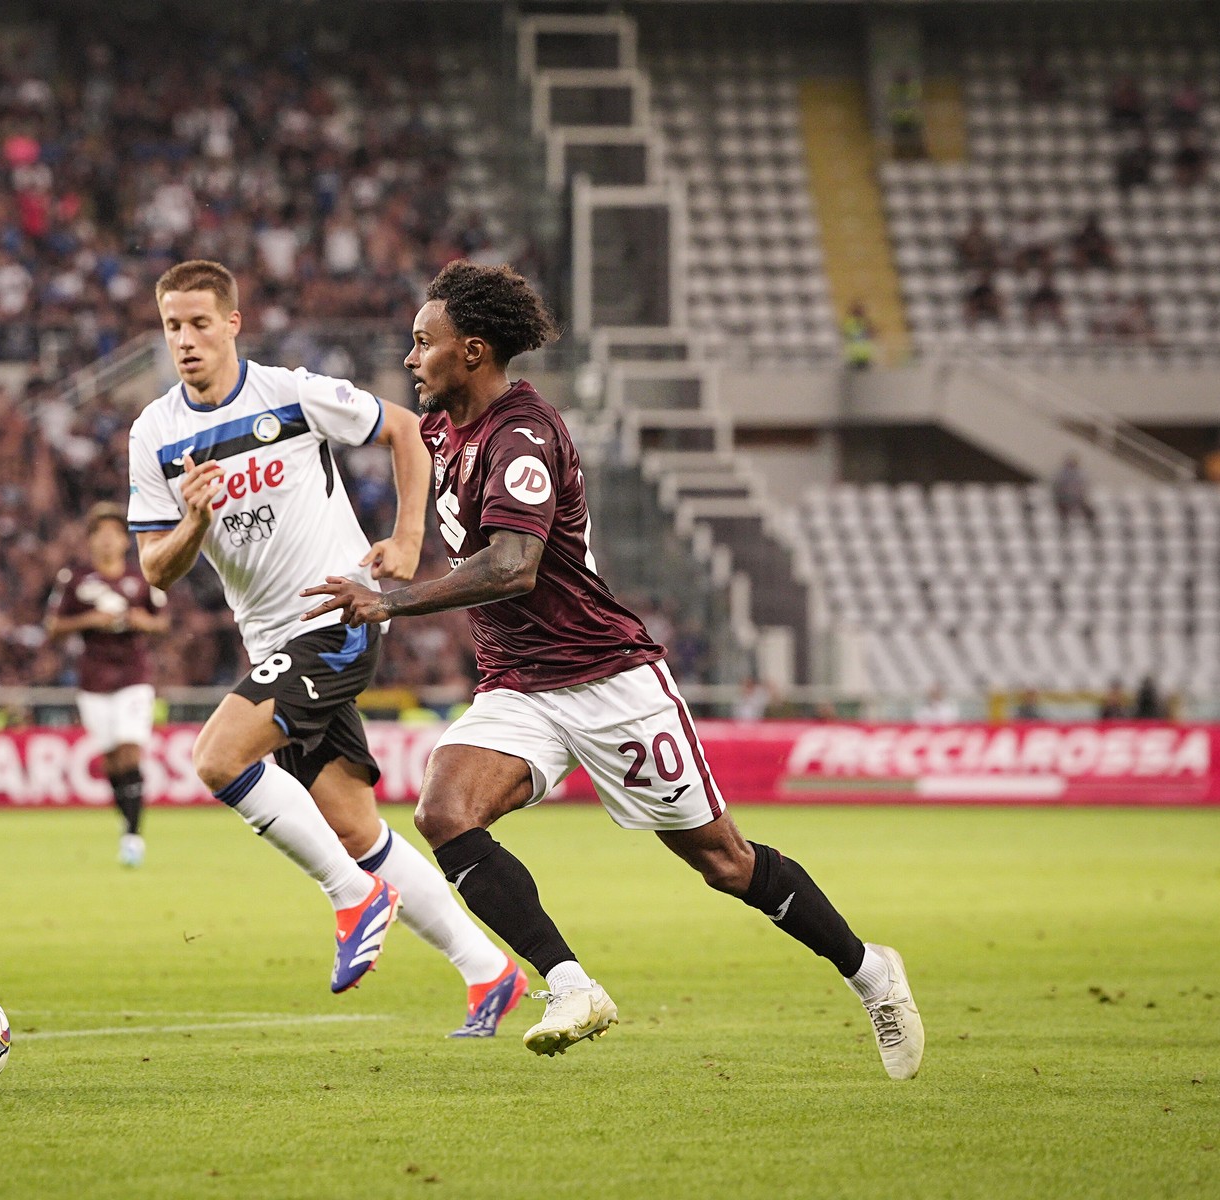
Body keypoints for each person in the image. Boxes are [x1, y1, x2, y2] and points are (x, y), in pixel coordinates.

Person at [302, 262, 923, 1077]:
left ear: (475, 351)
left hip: (606, 679)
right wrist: (405, 544)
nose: (410, 357)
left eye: (425, 342)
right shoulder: (446, 428)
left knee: (724, 863)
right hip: (520, 684)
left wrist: (394, 598)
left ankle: (870, 972)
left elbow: (514, 566)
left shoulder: (523, 436)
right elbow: (411, 456)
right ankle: (569, 985)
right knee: (445, 811)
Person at [128, 259, 528, 1034]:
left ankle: (352, 897)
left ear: (233, 323)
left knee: (217, 758)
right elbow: (155, 569)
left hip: (339, 617)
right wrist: (195, 525)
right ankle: (488, 973)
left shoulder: (289, 392)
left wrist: (409, 538)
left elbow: (405, 429)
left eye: (200, 323)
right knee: (351, 825)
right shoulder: (156, 433)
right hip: (271, 642)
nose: (186, 340)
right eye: (173, 325)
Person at [45, 502, 169, 867]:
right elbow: (53, 627)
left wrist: (139, 621)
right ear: (90, 541)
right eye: (100, 534)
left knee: (131, 752)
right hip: (93, 679)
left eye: (114, 534)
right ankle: (126, 818)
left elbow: (162, 623)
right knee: (113, 761)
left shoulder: (140, 578)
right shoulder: (76, 580)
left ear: (124, 541)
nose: (107, 541)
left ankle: (133, 837)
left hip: (133, 675)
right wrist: (89, 619)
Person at [1052, 454, 1095, 526]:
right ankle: (1064, 526)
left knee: (1090, 511)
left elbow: (1083, 487)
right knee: (1061, 510)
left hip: (1077, 499)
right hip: (1064, 498)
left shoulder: (1080, 474)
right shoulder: (1061, 473)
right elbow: (1057, 487)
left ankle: (1091, 527)